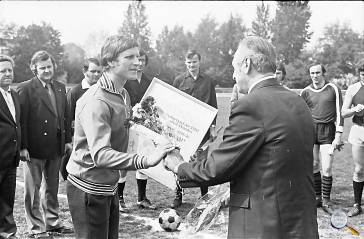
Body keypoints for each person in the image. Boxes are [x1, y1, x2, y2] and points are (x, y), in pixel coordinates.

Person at [164, 36, 319, 239]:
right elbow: (276, 161)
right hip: (302, 222)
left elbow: (217, 168)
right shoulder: (298, 101)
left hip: (265, 225)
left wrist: (179, 166)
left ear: (247, 64)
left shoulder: (250, 105)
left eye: (234, 67)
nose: (233, 75)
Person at [65, 35, 175, 239]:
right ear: (109, 62)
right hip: (89, 187)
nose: (138, 62)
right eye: (130, 57)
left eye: (139, 56)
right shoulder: (96, 100)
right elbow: (101, 155)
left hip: (108, 185)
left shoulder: (123, 93)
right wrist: (146, 160)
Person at [16, 51, 73, 238]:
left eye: (49, 66)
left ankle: (53, 223)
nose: (47, 70)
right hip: (33, 148)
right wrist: (22, 146)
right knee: (33, 190)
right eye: (42, 67)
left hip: (56, 146)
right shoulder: (25, 88)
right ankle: (36, 228)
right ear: (34, 69)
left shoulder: (60, 87)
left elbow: (65, 117)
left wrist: (67, 141)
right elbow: (20, 120)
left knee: (52, 188)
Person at [171, 49, 218, 208]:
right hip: (184, 130)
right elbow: (175, 106)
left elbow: (213, 105)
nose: (192, 65)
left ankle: (204, 197)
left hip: (203, 131)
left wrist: (213, 128)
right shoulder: (178, 80)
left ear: (200, 62)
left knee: (202, 162)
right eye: (189, 62)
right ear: (186, 63)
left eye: (195, 62)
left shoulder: (208, 81)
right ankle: (178, 196)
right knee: (180, 161)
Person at [301, 64, 344, 214]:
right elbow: (300, 114)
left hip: (328, 131)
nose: (315, 76)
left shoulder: (333, 89)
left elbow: (340, 113)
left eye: (318, 72)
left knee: (326, 167)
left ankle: (326, 200)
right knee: (313, 164)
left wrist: (338, 134)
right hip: (311, 131)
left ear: (323, 73)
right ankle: (317, 197)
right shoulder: (305, 91)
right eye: (312, 73)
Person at [118, 49, 156, 212]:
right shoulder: (126, 80)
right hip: (127, 125)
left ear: (145, 63)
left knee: (142, 159)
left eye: (142, 60)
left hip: (144, 126)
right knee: (124, 162)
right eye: (137, 59)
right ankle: (119, 197)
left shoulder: (150, 81)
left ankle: (142, 197)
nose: (139, 63)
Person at [0, 54, 21, 239]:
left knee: (7, 197)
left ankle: (7, 232)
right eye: (3, 71)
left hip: (11, 155)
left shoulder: (14, 94)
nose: (7, 73)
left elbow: (16, 124)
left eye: (9, 70)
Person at [341, 61, 364, 217]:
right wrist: (354, 109)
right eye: (363, 73)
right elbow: (343, 113)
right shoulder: (353, 88)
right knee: (359, 169)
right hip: (358, 130)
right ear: (359, 73)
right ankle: (357, 205)